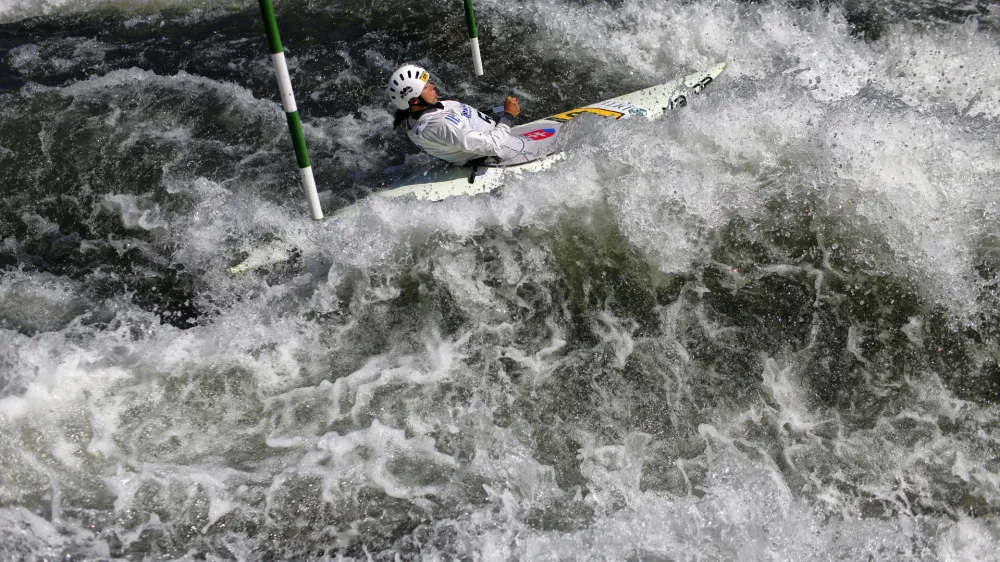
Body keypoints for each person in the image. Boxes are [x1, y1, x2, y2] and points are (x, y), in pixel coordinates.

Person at [388, 64, 523, 166]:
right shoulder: (441, 124)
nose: (432, 86)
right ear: (414, 100)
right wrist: (508, 116)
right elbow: (493, 146)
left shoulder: (418, 112)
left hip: (495, 137)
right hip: (496, 154)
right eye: (425, 87)